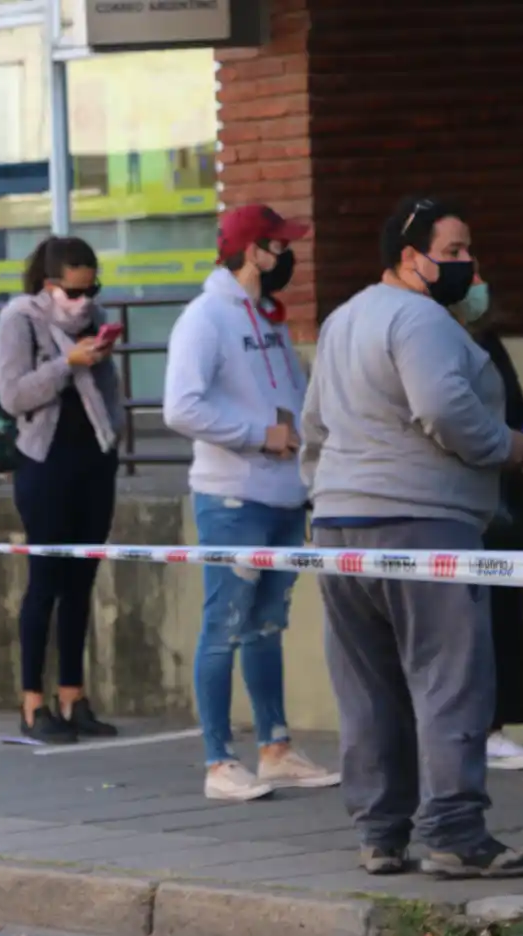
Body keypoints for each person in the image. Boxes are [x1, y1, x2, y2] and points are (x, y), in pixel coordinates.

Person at [301, 195, 523, 879]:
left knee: (368, 686)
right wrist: (508, 445)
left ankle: (381, 833)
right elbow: (443, 408)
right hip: (425, 523)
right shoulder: (424, 321)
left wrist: (325, 498)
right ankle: (455, 833)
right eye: (457, 251)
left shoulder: (343, 320)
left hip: (340, 530)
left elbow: (314, 426)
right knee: (450, 682)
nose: (470, 265)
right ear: (412, 259)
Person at [163, 204, 340, 802]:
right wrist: (258, 435)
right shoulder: (205, 317)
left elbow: (290, 397)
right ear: (252, 252)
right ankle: (218, 762)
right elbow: (180, 408)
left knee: (266, 627)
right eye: (278, 246)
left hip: (284, 495)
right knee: (225, 627)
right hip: (233, 498)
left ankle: (276, 749)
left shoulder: (267, 319)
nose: (287, 256)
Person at [0, 236, 123, 745]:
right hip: (44, 461)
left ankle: (74, 695)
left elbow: (109, 388)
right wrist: (68, 363)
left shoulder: (96, 316)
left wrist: (114, 428)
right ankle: (32, 703)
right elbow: (13, 394)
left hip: (94, 456)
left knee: (81, 581)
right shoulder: (20, 320)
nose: (83, 301)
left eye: (90, 290)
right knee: (45, 578)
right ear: (48, 287)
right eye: (72, 292)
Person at [452, 273, 523, 771]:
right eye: (464, 266)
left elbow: (518, 409)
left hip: (504, 504)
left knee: (506, 612)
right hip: (465, 501)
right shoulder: (436, 345)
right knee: (469, 617)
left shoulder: (487, 341)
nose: (480, 282)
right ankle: (474, 728)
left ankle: (496, 725)